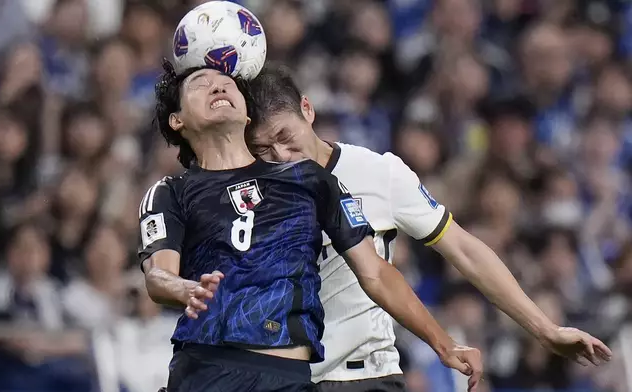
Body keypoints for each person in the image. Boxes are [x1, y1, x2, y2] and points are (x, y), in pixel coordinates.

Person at [242, 64, 614, 392]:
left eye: (285, 138)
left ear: (307, 110)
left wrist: (545, 329)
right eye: (263, 148)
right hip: (280, 377)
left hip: (363, 378)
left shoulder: (378, 174)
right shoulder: (246, 194)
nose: (279, 157)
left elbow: (465, 251)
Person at [140, 60, 482, 392]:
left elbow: (376, 273)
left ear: (246, 115)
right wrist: (184, 289)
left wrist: (443, 343)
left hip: (289, 375)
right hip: (206, 369)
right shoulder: (170, 192)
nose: (217, 85)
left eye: (226, 83)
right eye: (200, 84)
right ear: (177, 120)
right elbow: (157, 277)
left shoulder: (310, 179)